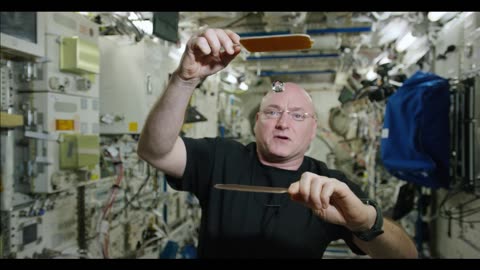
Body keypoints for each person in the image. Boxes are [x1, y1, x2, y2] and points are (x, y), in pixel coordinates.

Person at [137, 28, 418, 258]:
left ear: (313, 129)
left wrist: (364, 221)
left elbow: (406, 256)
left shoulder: (330, 187)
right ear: (257, 121)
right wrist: (185, 80)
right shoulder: (220, 157)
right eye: (273, 112)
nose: (283, 123)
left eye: (298, 115)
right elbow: (155, 151)